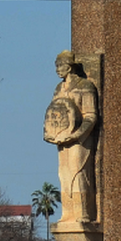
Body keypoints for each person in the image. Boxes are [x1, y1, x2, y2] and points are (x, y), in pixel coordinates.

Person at [43, 51, 100, 223]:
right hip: (62, 140)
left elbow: (91, 115)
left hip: (80, 140)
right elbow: (53, 114)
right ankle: (68, 214)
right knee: (64, 174)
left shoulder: (85, 86)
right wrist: (50, 135)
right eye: (56, 66)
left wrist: (77, 134)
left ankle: (83, 213)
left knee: (79, 173)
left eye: (60, 65)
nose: (58, 70)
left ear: (70, 66)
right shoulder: (58, 88)